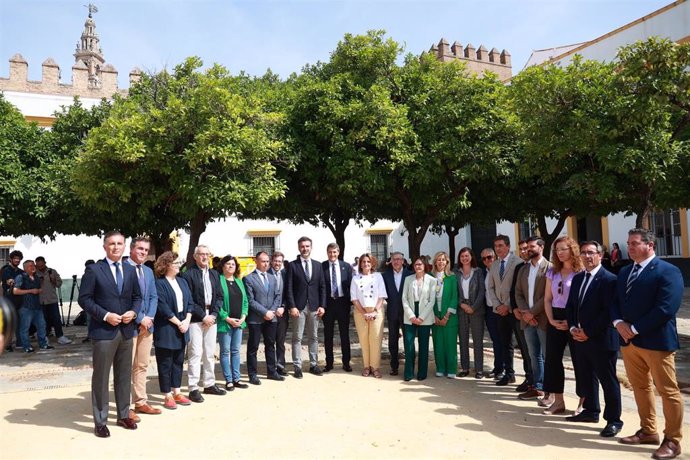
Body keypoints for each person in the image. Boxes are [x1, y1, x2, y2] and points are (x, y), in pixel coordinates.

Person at [613, 228, 684, 459]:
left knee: (667, 391)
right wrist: (618, 323)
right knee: (640, 387)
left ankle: (672, 440)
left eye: (634, 243)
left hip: (656, 342)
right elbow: (614, 301)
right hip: (629, 343)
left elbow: (666, 308)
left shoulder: (668, 271)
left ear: (650, 245)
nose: (630, 247)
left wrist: (633, 328)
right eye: (628, 243)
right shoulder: (624, 271)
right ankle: (648, 430)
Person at [78, 231, 142, 438]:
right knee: (101, 377)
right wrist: (105, 316)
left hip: (126, 331)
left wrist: (133, 311)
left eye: (120, 243)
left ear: (125, 246)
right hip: (103, 331)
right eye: (112, 244)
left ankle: (124, 415)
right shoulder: (94, 270)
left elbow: (137, 297)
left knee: (124, 376)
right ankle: (100, 421)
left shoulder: (130, 271)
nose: (116, 247)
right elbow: (85, 300)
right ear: (105, 246)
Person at [565, 241, 623, 438]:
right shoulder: (579, 278)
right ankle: (591, 411)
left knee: (608, 381)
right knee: (587, 377)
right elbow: (571, 306)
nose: (587, 256)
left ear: (600, 255)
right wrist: (573, 327)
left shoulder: (610, 280)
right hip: (580, 338)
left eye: (591, 253)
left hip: (601, 338)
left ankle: (614, 420)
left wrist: (588, 331)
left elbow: (609, 312)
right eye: (583, 253)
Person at [542, 236, 584, 414]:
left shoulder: (580, 272)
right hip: (555, 316)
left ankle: (583, 403)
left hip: (575, 317)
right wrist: (551, 320)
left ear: (572, 250)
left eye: (563, 249)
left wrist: (572, 322)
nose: (559, 253)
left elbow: (583, 300)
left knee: (580, 361)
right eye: (557, 250)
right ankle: (558, 401)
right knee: (552, 359)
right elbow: (547, 299)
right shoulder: (552, 272)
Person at [181, 245, 225, 403]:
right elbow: (189, 299)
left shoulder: (214, 274)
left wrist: (213, 315)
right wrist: (203, 316)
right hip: (195, 319)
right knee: (195, 353)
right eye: (201, 254)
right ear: (195, 256)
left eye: (207, 254)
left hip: (211, 318)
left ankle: (209, 383)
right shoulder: (188, 275)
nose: (205, 257)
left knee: (209, 352)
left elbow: (219, 296)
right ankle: (193, 387)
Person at [153, 252, 194, 410]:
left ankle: (177, 391)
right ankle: (167, 394)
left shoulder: (182, 282)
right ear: (166, 265)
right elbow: (163, 307)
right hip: (167, 328)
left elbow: (190, 302)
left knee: (178, 361)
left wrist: (187, 320)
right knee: (165, 363)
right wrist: (179, 323)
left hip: (183, 326)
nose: (179, 265)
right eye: (176, 262)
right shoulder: (159, 284)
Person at [126, 237, 161, 418]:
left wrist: (149, 318)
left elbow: (154, 297)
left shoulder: (148, 271)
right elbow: (124, 299)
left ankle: (140, 402)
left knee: (142, 365)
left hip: (148, 326)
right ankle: (127, 406)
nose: (143, 252)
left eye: (146, 250)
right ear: (132, 249)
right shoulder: (123, 268)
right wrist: (140, 318)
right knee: (126, 366)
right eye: (140, 249)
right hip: (130, 326)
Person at [514, 236, 551, 400]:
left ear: (541, 247)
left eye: (532, 246)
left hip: (542, 319)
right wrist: (526, 314)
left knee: (547, 355)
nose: (528, 249)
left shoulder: (550, 268)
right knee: (533, 355)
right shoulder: (523, 269)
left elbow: (547, 296)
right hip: (527, 320)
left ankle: (550, 389)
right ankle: (538, 386)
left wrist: (532, 313)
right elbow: (518, 293)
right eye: (527, 246)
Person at [285, 236, 327, 378]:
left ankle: (313, 364)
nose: (305, 249)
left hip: (315, 306)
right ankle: (297, 366)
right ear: (299, 248)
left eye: (307, 246)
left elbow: (322, 287)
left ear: (311, 247)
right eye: (302, 246)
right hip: (299, 307)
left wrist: (322, 305)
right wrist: (292, 306)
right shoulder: (292, 265)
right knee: (297, 337)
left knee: (314, 337)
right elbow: (289, 287)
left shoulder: (318, 265)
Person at [244, 251, 283, 384]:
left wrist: (271, 311)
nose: (265, 264)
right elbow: (250, 300)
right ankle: (252, 374)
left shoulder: (272, 278)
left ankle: (272, 372)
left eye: (267, 261)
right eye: (263, 261)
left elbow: (278, 295)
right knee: (253, 347)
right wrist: (264, 312)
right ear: (256, 261)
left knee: (270, 345)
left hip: (271, 318)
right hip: (256, 319)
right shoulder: (248, 278)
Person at [350, 253, 387, 378]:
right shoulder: (355, 278)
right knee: (364, 339)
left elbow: (381, 295)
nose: (366, 264)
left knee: (375, 339)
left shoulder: (378, 277)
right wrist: (364, 313)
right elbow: (354, 298)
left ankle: (375, 367)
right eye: (363, 262)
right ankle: (366, 366)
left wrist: (375, 311)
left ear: (372, 264)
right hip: (360, 311)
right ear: (360, 264)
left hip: (377, 310)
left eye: (368, 262)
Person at [401, 257, 436, 381]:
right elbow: (404, 298)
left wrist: (421, 317)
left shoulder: (432, 280)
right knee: (409, 344)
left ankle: (422, 373)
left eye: (420, 264)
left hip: (425, 316)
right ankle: (409, 373)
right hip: (409, 314)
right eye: (416, 264)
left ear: (425, 265)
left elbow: (432, 301)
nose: (418, 266)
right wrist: (411, 315)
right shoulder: (408, 279)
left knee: (424, 345)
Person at [217, 254, 249, 390]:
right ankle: (228, 380)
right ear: (223, 266)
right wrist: (227, 318)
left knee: (236, 351)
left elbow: (245, 301)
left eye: (233, 264)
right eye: (228, 264)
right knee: (225, 351)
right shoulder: (218, 280)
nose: (231, 266)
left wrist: (243, 317)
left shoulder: (239, 281)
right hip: (225, 323)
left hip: (239, 322)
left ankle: (237, 378)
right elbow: (216, 303)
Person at [322, 243, 353, 372]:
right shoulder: (322, 266)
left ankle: (346, 362)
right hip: (328, 305)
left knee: (344, 335)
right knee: (328, 335)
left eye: (334, 252)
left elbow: (351, 286)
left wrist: (351, 304)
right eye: (330, 252)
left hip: (342, 304)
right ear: (327, 253)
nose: (332, 255)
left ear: (338, 252)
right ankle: (329, 363)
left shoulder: (346, 266)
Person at [455, 248, 485, 379]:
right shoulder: (456, 273)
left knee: (478, 340)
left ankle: (479, 369)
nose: (464, 258)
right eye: (462, 256)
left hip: (476, 310)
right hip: (462, 309)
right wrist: (461, 304)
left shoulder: (478, 272)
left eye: (467, 256)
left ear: (471, 257)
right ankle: (465, 367)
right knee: (463, 340)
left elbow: (482, 292)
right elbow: (454, 291)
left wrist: (473, 307)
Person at [381, 251, 413, 376]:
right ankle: (394, 366)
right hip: (392, 311)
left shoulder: (410, 275)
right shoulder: (385, 275)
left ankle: (409, 367)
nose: (396, 261)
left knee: (408, 340)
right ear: (391, 261)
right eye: (394, 259)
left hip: (407, 312)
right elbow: (383, 293)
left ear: (403, 261)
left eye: (399, 259)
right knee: (393, 341)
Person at [14, 260, 53, 352]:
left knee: (42, 326)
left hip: (37, 306)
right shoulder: (21, 277)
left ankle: (43, 344)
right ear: (25, 268)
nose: (33, 267)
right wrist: (31, 291)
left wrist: (39, 290)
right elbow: (15, 291)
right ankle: (27, 347)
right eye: (30, 266)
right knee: (25, 328)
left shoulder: (36, 277)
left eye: (33, 265)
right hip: (26, 307)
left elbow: (38, 289)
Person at [430, 251, 458, 378]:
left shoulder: (452, 277)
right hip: (435, 315)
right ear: (435, 262)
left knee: (450, 343)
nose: (441, 262)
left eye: (443, 260)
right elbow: (427, 298)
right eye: (438, 260)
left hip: (449, 316)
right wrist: (434, 315)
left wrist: (447, 316)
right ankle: (440, 367)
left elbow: (454, 297)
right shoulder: (430, 277)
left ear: (447, 262)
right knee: (438, 343)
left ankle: (451, 369)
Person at [35, 256, 71, 345]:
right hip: (41, 300)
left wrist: (53, 279)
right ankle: (45, 337)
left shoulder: (52, 271)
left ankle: (60, 336)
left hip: (52, 300)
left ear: (45, 263)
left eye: (41, 265)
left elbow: (59, 284)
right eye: (38, 266)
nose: (40, 267)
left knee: (56, 319)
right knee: (43, 320)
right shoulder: (34, 273)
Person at [480, 248, 502, 379]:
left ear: (494, 257)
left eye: (489, 257)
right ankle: (497, 367)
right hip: (489, 310)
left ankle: (504, 369)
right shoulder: (484, 273)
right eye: (484, 258)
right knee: (495, 341)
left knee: (503, 341)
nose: (487, 260)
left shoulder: (500, 270)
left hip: (500, 309)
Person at [269, 251, 288, 376]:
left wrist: (283, 307)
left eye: (280, 261)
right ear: (272, 261)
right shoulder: (266, 274)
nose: (277, 263)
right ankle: (271, 367)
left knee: (280, 341)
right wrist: (273, 309)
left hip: (283, 312)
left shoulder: (285, 274)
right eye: (276, 261)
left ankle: (281, 366)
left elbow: (289, 292)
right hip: (270, 312)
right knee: (270, 341)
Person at [1, 250, 24, 351]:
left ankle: (19, 342)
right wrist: (11, 281)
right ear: (11, 259)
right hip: (9, 300)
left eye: (18, 259)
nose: (17, 260)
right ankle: (7, 344)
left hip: (19, 300)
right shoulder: (6, 270)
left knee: (20, 322)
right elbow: (8, 280)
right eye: (15, 258)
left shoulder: (20, 271)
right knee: (9, 323)